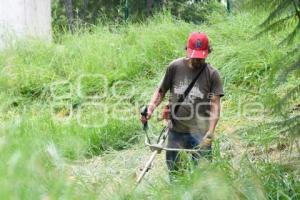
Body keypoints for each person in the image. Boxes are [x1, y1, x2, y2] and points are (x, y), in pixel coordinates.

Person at [140, 32, 224, 178]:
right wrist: (151, 107)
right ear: (187, 50)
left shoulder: (212, 74)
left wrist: (210, 132)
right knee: (175, 174)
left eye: (201, 56)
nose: (197, 59)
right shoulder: (174, 67)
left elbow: (215, 105)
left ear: (208, 52)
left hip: (200, 134)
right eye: (194, 55)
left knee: (202, 177)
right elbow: (161, 91)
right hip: (176, 131)